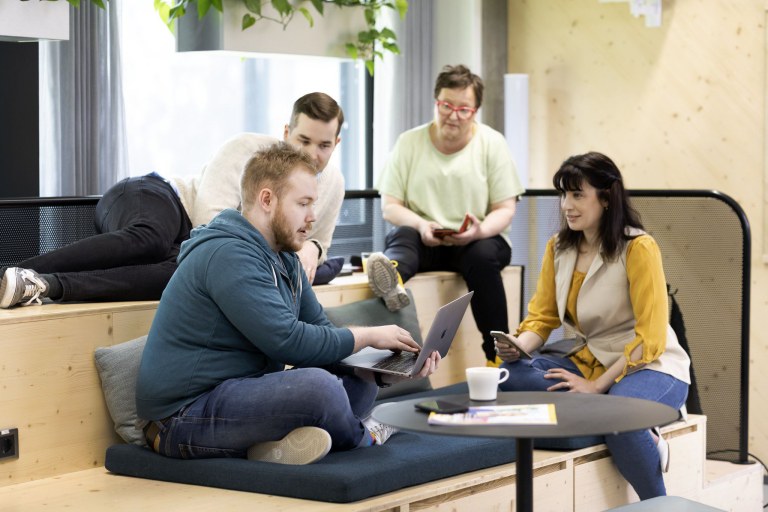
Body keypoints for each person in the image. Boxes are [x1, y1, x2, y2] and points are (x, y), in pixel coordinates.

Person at [135, 142, 440, 465]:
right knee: (320, 389)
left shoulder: (285, 258)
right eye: (303, 204)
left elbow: (320, 333)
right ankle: (365, 436)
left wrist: (384, 369)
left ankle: (272, 446)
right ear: (267, 199)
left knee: (357, 379)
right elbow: (289, 342)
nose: (313, 217)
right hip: (182, 417)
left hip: (239, 394)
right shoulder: (227, 254)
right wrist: (367, 336)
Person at [0, 92, 346, 308]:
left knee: (182, 273)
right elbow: (213, 223)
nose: (311, 154)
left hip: (186, 246)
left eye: (324, 145)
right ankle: (11, 274)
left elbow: (319, 242)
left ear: (336, 144)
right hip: (160, 198)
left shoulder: (333, 184)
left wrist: (312, 248)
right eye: (303, 141)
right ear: (286, 133)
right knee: (150, 239)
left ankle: (40, 285)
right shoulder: (248, 150)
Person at [495, 152, 690, 500]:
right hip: (589, 359)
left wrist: (596, 387)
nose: (566, 205)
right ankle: (635, 427)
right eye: (563, 194)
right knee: (509, 375)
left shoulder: (638, 248)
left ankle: (658, 504)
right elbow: (542, 318)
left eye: (577, 195)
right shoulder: (558, 247)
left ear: (606, 196)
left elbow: (652, 339)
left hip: (653, 366)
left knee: (618, 415)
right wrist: (519, 345)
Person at [368, 64, 525, 366]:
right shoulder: (409, 142)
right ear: (436, 101)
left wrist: (478, 231)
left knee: (481, 257)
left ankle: (499, 356)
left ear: (476, 110)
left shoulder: (492, 144)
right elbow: (391, 206)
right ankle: (392, 280)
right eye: (446, 105)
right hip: (426, 238)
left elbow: (505, 210)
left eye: (463, 109)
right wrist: (421, 223)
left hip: (477, 240)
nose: (453, 115)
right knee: (404, 236)